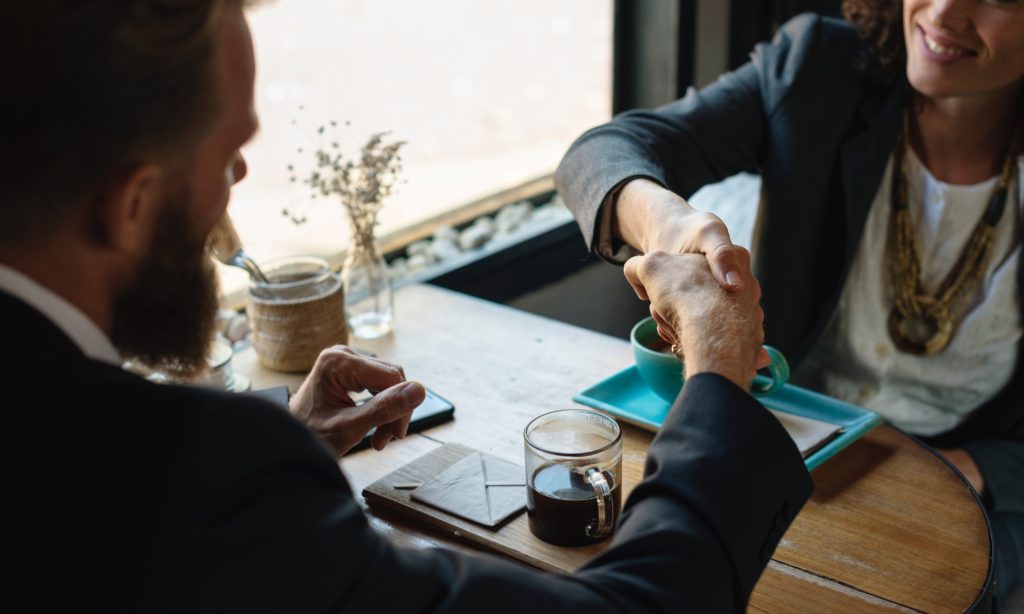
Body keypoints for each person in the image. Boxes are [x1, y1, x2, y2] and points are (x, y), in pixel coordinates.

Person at [4, 1, 814, 611]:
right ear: (132, 202)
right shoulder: (186, 478)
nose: (234, 192)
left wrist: (286, 444)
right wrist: (717, 361)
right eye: (229, 156)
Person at [555, 0, 1023, 600]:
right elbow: (600, 154)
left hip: (967, 487)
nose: (945, 12)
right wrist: (669, 223)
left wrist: (972, 469)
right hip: (791, 451)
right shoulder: (821, 68)